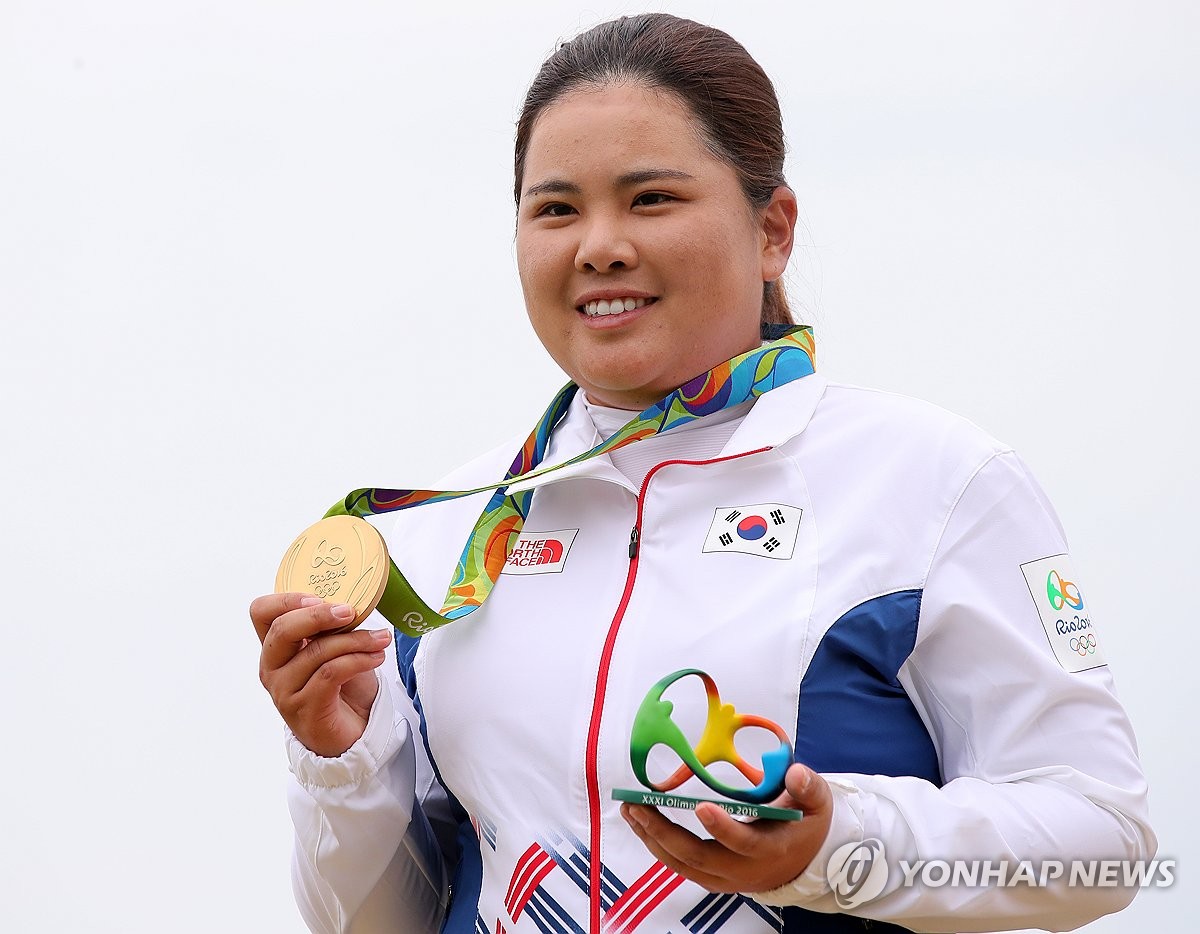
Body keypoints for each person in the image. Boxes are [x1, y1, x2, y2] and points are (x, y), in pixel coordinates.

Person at [250, 13, 1155, 933]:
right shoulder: (450, 530)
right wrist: (342, 759)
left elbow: (1104, 844)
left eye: (651, 199)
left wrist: (838, 845)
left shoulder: (938, 483)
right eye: (555, 208)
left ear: (772, 230)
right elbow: (379, 921)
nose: (598, 245)